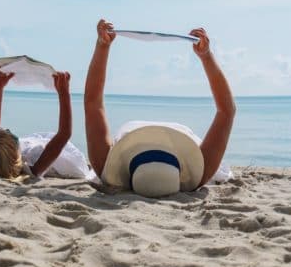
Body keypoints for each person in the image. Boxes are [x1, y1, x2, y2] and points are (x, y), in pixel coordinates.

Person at [84, 19, 236, 197]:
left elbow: (93, 102)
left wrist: (102, 47)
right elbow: (227, 110)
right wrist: (206, 56)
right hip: (181, 139)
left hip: (163, 139)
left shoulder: (105, 164)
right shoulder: (201, 172)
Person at [0, 67, 93, 180]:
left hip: (30, 144)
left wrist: (0, 85)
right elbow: (64, 134)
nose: (8, 130)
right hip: (69, 158)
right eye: (12, 137)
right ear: (14, 155)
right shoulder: (33, 168)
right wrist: (64, 93)